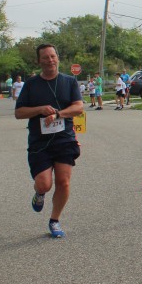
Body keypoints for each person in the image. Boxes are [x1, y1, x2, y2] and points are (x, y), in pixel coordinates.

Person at [13, 44, 85, 238]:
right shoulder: (31, 84)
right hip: (40, 142)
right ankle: (40, 193)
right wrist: (40, 109)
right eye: (45, 57)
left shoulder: (69, 81)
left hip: (64, 139)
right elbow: (19, 113)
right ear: (39, 61)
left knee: (64, 182)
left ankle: (54, 220)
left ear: (58, 58)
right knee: (44, 184)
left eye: (53, 56)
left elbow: (78, 107)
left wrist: (58, 114)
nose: (50, 60)